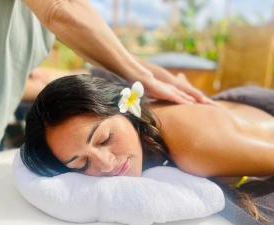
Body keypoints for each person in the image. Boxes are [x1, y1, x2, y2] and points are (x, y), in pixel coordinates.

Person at [21, 74, 274, 224]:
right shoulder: (143, 133)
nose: (106, 165)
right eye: (81, 164)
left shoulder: (194, 148)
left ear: (126, 110)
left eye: (105, 139)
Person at [0, 0, 209, 158]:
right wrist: (143, 77)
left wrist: (154, 75)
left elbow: (3, 76)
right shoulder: (57, 10)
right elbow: (60, 10)